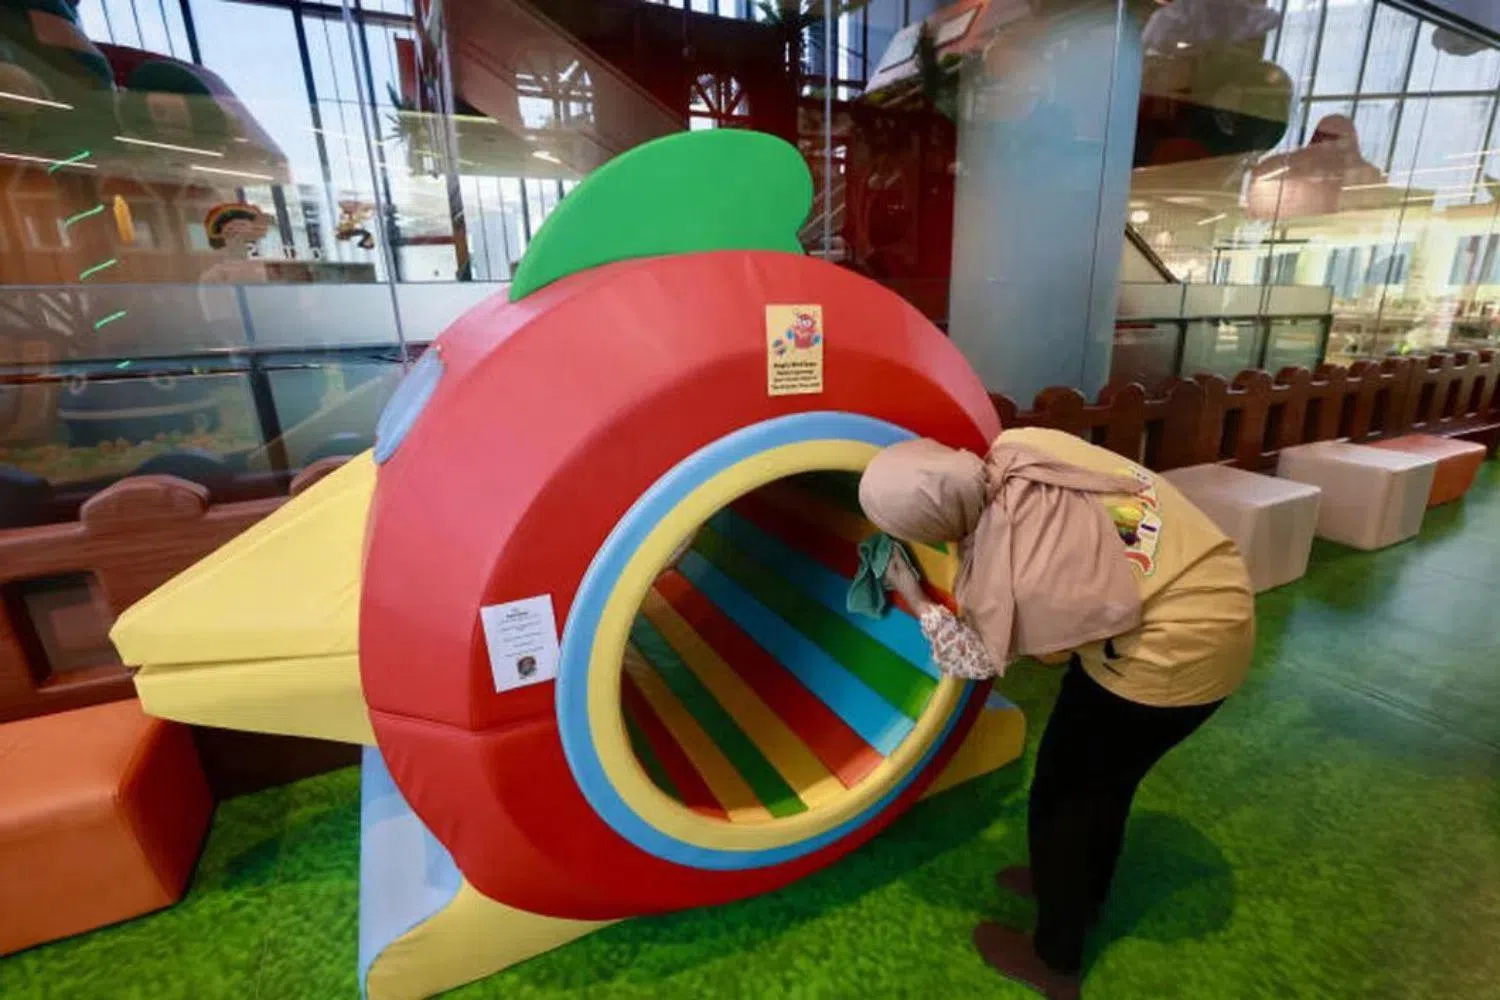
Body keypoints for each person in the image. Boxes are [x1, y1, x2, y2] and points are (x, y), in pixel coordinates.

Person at [859, 426, 1254, 1000]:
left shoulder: (1012, 570)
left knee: (1068, 795)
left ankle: (1055, 957)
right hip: (1210, 585)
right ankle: (1072, 889)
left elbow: (977, 658)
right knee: (1103, 783)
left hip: (1175, 655)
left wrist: (915, 597)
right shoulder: (1022, 443)